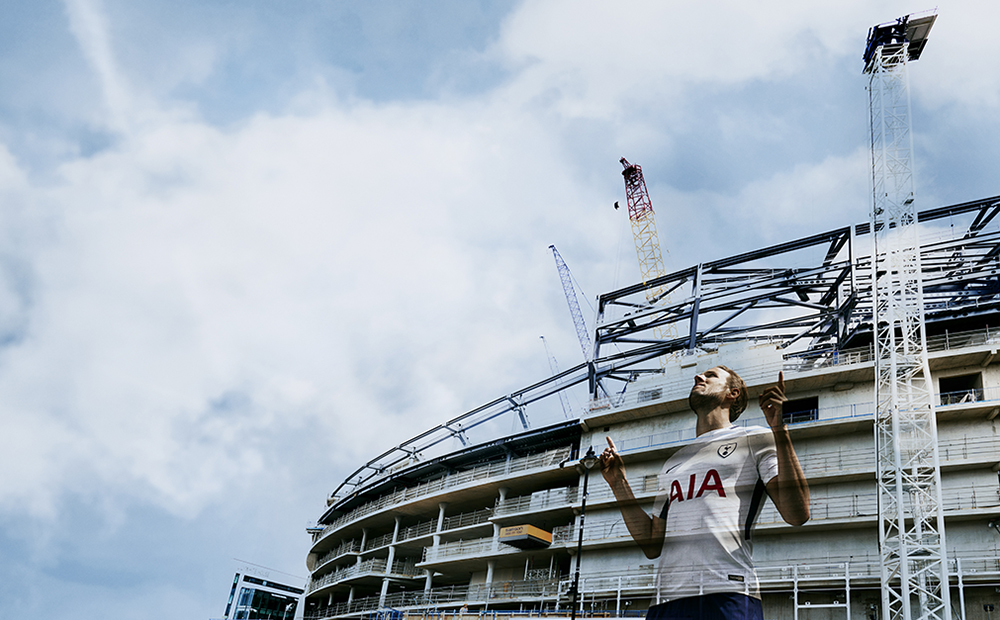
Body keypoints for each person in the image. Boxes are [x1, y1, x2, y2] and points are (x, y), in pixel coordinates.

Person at [599, 366, 809, 620]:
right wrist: (618, 482)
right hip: (666, 600)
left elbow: (797, 513)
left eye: (710, 376)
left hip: (728, 592)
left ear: (733, 393)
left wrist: (780, 430)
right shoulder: (673, 462)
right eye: (700, 375)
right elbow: (652, 544)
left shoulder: (755, 437)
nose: (699, 377)